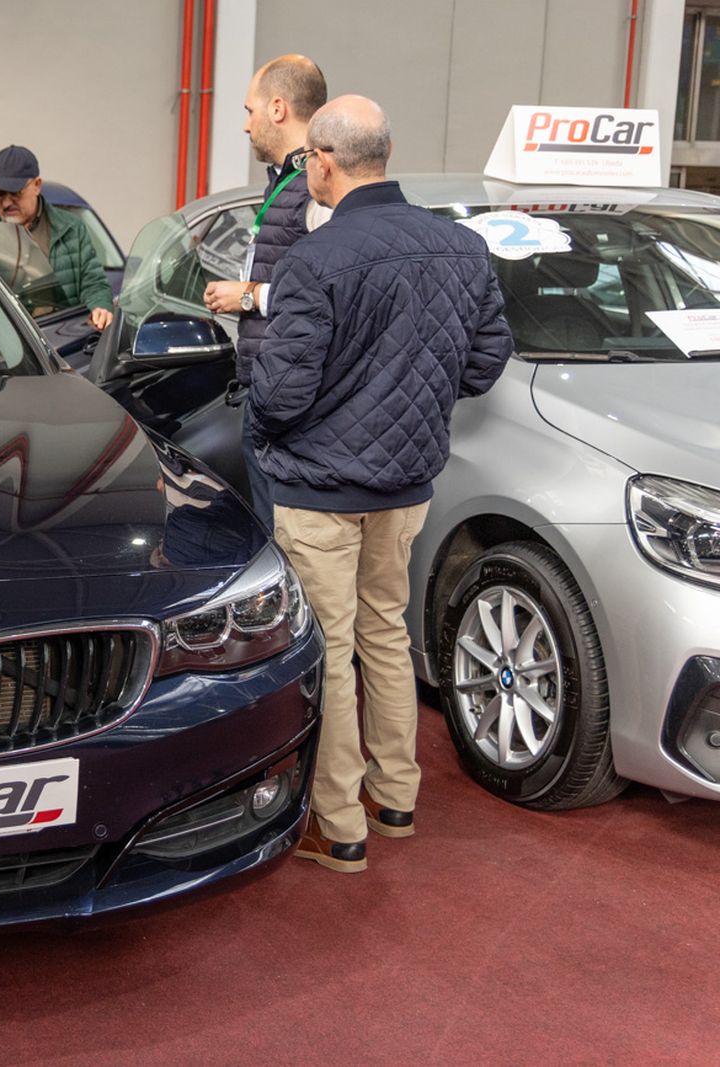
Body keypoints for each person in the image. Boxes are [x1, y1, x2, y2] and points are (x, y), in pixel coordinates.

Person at [248, 95, 512, 873]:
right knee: (387, 634)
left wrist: (267, 438)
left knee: (329, 652)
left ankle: (337, 824)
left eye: (309, 166)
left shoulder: (315, 261)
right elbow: (488, 354)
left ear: (323, 163)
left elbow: (282, 391)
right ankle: (395, 797)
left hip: (321, 491)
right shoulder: (460, 247)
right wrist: (424, 403)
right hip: (406, 485)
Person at [202, 54, 329, 530]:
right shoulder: (287, 184)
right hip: (270, 387)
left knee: (290, 547)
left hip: (293, 397)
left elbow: (330, 294)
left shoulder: (317, 190)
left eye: (249, 110)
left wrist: (251, 296)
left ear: (278, 108)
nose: (245, 125)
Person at [0, 144, 114, 330]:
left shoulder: (70, 229)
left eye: (16, 193)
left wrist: (100, 307)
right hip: (1, 342)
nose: (7, 202)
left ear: (36, 185)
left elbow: (93, 282)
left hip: (60, 338)